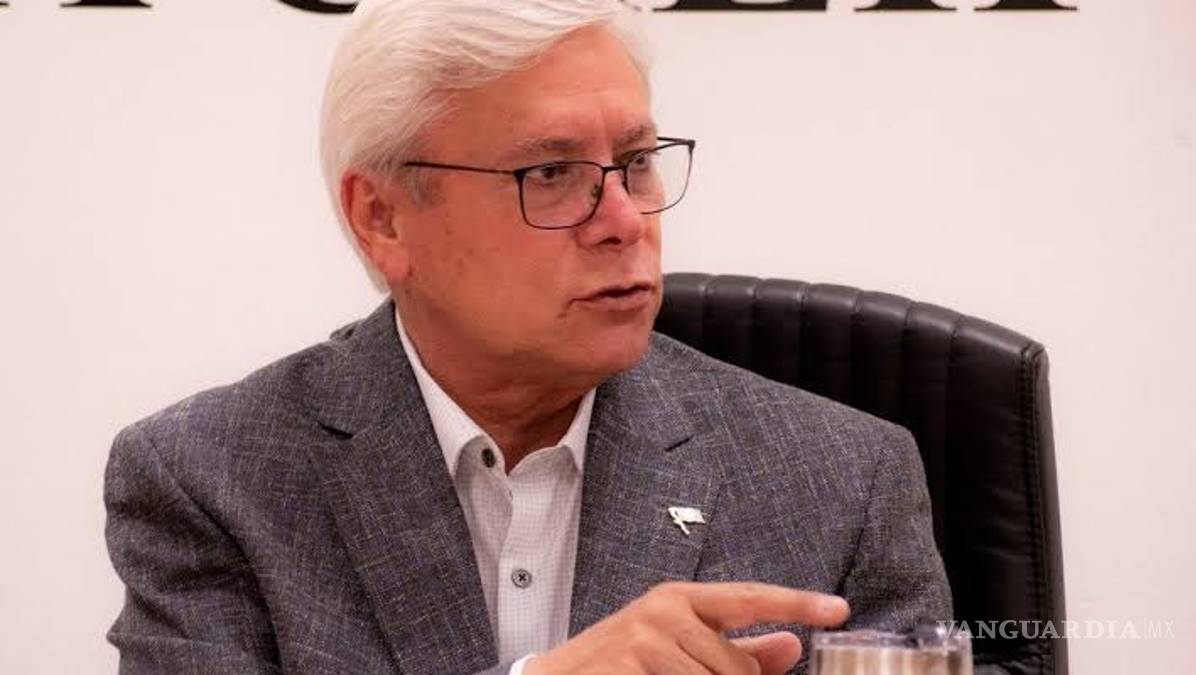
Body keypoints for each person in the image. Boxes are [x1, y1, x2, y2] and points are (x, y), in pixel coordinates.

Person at [103, 1, 951, 673]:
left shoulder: (844, 483)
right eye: (550, 174)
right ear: (383, 217)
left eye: (636, 162)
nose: (624, 220)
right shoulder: (214, 479)